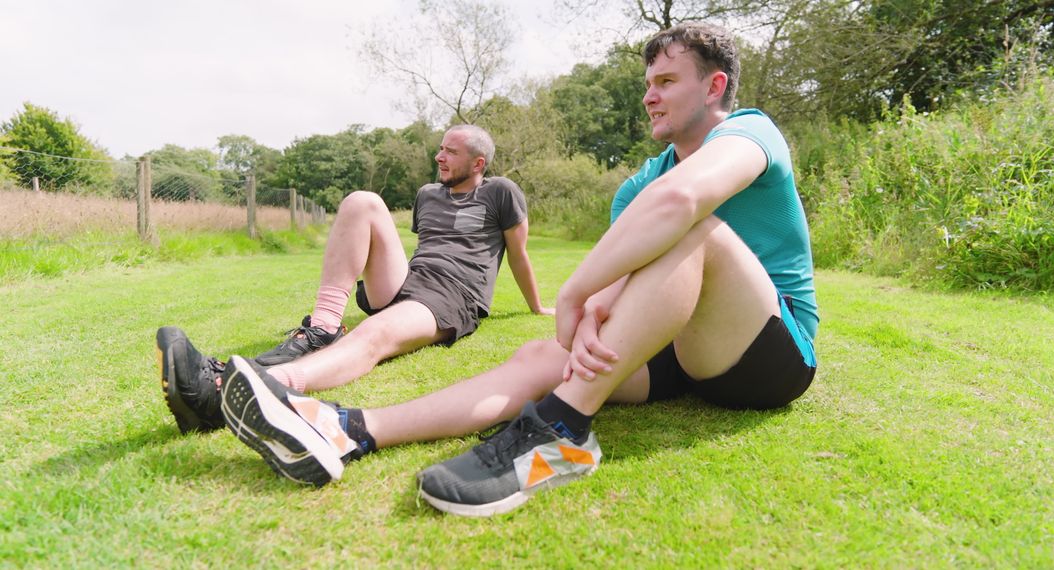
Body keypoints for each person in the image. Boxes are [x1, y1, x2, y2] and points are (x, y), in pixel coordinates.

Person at [214, 21, 819, 516]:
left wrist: (578, 291)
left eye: (665, 81)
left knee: (698, 232)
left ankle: (563, 434)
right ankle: (350, 428)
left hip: (770, 354)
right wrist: (593, 313)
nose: (648, 95)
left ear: (715, 87)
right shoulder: (640, 181)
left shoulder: (750, 132)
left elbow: (681, 206)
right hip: (682, 354)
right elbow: (627, 275)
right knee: (537, 357)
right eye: (647, 82)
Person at [157, 124, 552, 435]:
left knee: (373, 336)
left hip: (453, 294)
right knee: (363, 200)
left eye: (451, 151)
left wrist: (536, 307)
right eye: (441, 147)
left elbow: (518, 254)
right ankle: (325, 327)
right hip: (409, 281)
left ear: (478, 163)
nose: (439, 156)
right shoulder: (428, 194)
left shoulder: (501, 192)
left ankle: (229, 394)